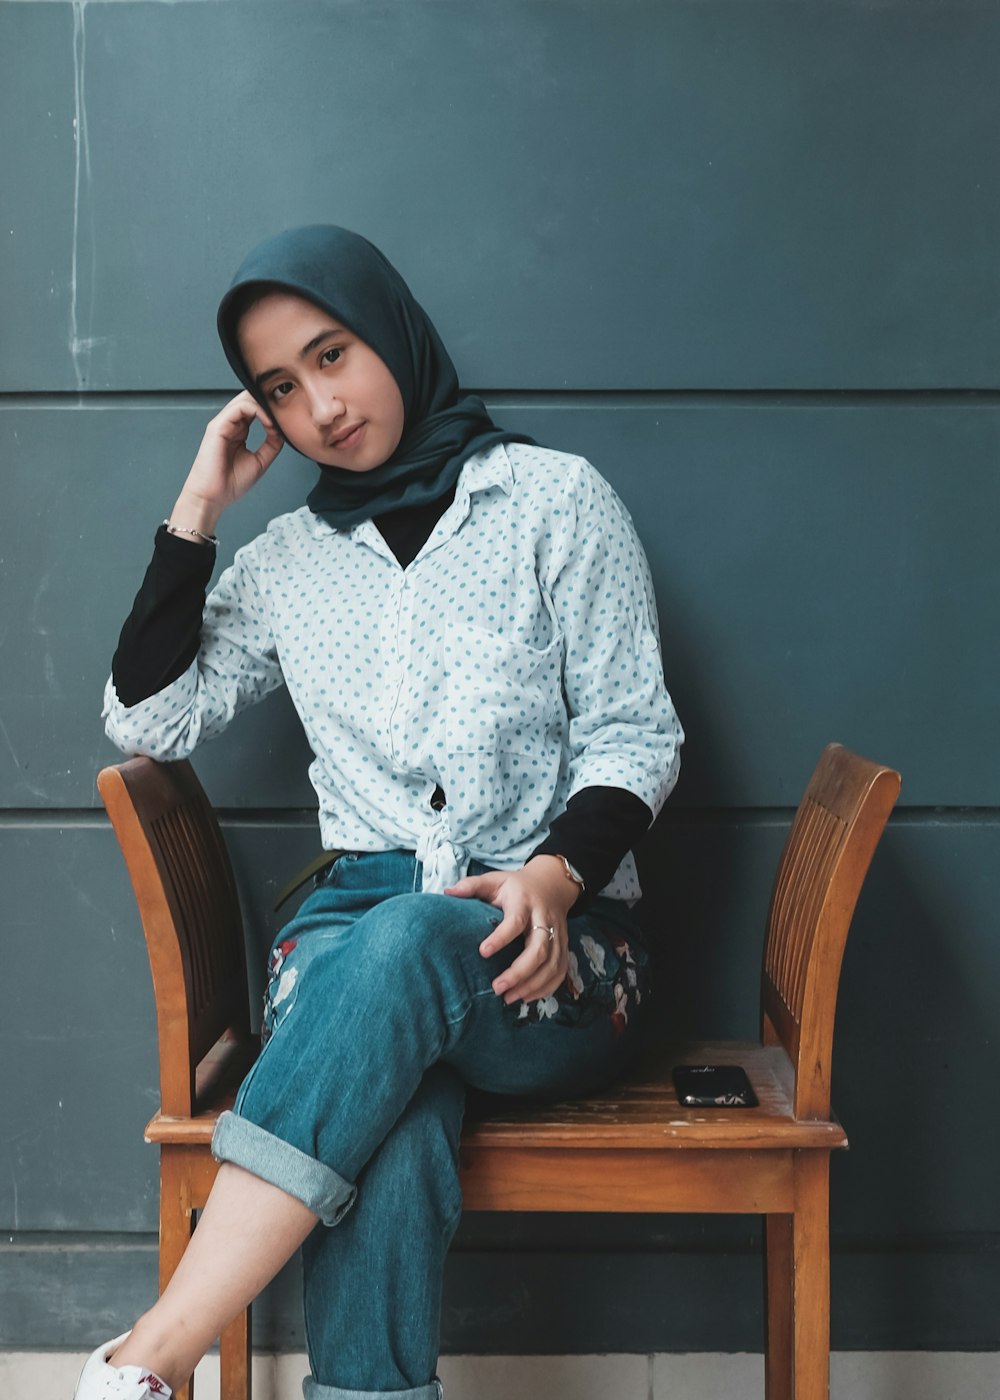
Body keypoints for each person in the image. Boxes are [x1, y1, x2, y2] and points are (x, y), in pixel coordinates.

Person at [77, 225, 683, 1400]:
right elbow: (147, 718)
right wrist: (199, 507)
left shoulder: (553, 501)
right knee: (389, 1126)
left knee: (407, 939)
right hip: (350, 944)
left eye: (333, 353)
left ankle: (157, 1351)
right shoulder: (286, 561)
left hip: (551, 945)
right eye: (280, 389)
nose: (322, 405)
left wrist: (556, 875)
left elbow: (633, 733)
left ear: (391, 330)